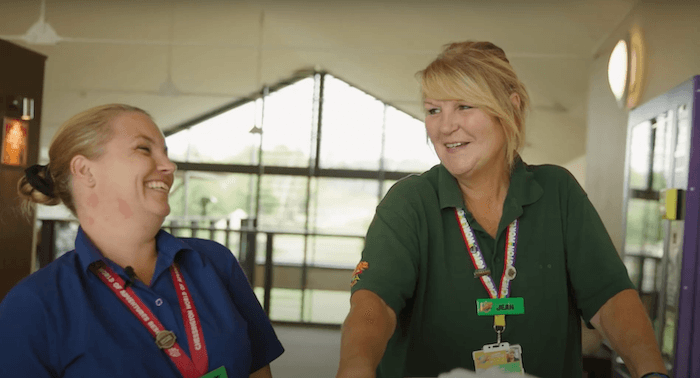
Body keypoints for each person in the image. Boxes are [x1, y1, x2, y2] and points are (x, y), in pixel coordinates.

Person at [336, 42, 668, 378]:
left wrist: (651, 371)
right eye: (433, 110)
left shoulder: (558, 192)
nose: (445, 126)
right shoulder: (409, 202)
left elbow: (611, 298)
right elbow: (373, 304)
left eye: (464, 106)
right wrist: (354, 367)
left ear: (510, 107)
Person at [0, 104, 284, 378]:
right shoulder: (33, 305)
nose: (169, 165)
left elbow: (257, 371)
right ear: (85, 171)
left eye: (166, 152)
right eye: (144, 148)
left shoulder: (215, 261)